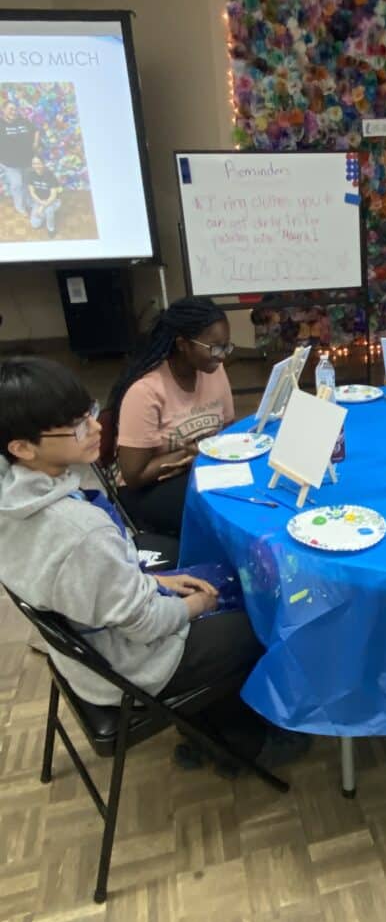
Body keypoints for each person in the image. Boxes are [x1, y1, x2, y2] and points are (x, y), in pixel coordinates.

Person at [0, 357, 307, 768]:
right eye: (77, 426)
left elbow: (99, 584)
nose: (96, 428)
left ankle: (214, 720)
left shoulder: (13, 495)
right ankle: (238, 742)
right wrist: (198, 604)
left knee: (206, 572)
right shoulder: (80, 533)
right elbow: (145, 625)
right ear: (21, 447)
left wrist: (158, 582)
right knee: (262, 615)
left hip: (89, 646)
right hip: (129, 665)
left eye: (89, 413)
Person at [108, 297, 236, 536]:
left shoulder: (214, 371)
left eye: (226, 347)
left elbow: (228, 430)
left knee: (243, 492)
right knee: (219, 513)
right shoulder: (145, 392)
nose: (222, 356)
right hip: (149, 489)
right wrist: (188, 454)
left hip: (196, 470)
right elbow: (134, 476)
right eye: (215, 348)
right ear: (183, 344)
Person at [0, 101, 39, 215]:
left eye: (15, 109)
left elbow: (35, 130)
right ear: (3, 110)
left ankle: (30, 203)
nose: (13, 112)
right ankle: (20, 206)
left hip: (27, 160)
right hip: (10, 163)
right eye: (10, 109)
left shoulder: (22, 121)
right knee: (17, 185)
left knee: (28, 183)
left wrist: (35, 143)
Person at [27, 155, 62, 236]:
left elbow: (53, 196)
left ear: (43, 164)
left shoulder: (50, 175)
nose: (36, 166)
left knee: (49, 210)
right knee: (35, 224)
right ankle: (44, 215)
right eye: (34, 163)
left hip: (52, 201)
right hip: (38, 201)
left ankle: (51, 229)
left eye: (38, 163)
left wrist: (42, 207)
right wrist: (40, 204)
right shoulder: (30, 175)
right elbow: (32, 192)